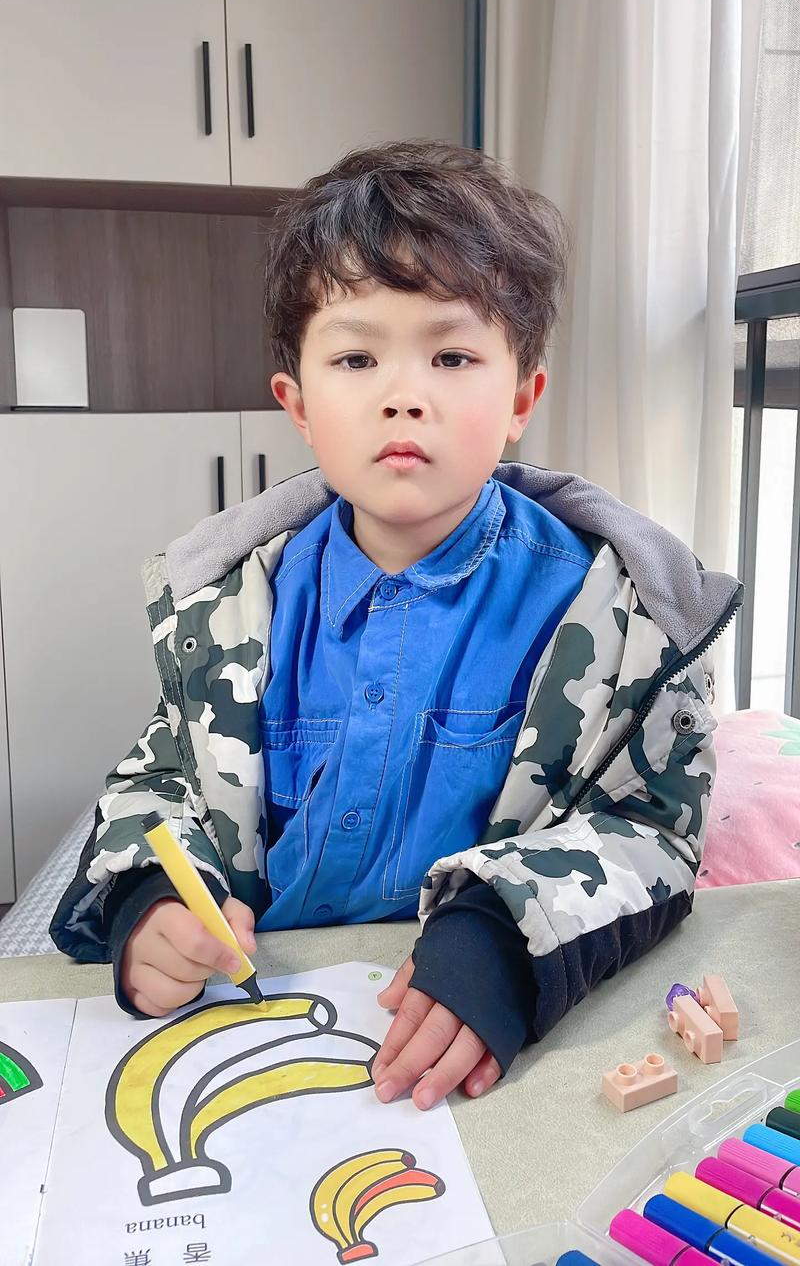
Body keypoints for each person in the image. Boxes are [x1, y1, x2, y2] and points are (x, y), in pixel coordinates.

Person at [50, 139, 743, 1112]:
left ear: (520, 398)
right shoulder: (231, 607)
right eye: (355, 357)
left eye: (452, 356)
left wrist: (502, 933)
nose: (403, 394)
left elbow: (651, 829)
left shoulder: (623, 618)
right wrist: (149, 900)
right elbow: (163, 781)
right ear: (297, 405)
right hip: (252, 1021)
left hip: (477, 1056)